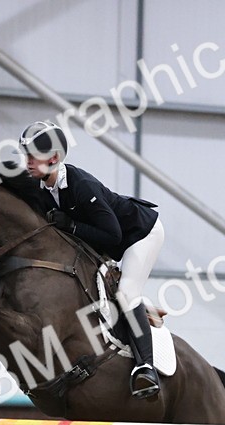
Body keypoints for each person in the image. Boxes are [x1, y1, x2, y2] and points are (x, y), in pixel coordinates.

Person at [17, 121, 165, 399]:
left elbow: (112, 234)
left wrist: (71, 226)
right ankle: (142, 310)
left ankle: (146, 368)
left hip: (139, 234)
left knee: (127, 292)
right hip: (107, 240)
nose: (27, 162)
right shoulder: (40, 185)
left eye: (33, 156)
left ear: (54, 158)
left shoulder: (81, 185)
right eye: (25, 155)